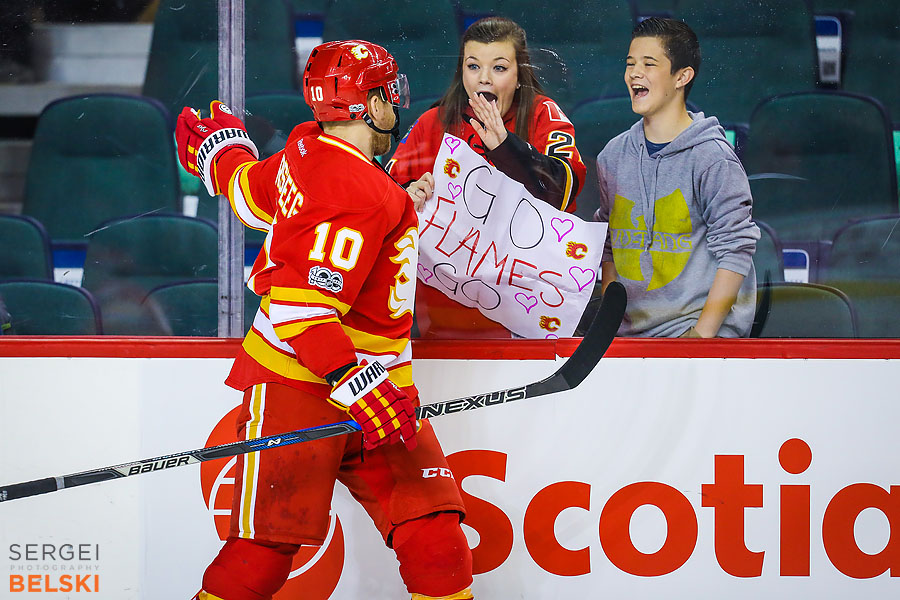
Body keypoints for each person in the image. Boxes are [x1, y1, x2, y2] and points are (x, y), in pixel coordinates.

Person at [175, 40, 473, 600]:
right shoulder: (358, 191)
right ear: (370, 102)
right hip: (307, 387)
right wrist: (359, 386)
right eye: (391, 92)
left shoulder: (303, 149)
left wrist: (221, 159)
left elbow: (253, 195)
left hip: (375, 390)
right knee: (263, 550)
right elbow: (300, 305)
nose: (398, 104)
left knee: (434, 536)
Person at [386, 16, 587, 339]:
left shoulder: (543, 113)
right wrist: (408, 193)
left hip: (529, 319)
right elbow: (381, 195)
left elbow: (562, 192)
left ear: (520, 74)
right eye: (473, 66)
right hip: (444, 319)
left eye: (499, 68)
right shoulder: (434, 121)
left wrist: (506, 147)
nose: (484, 80)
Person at [593, 17, 759, 338]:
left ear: (682, 76)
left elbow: (736, 250)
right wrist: (609, 326)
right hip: (628, 343)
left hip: (694, 339)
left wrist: (699, 338)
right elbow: (609, 246)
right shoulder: (613, 156)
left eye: (649, 64)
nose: (634, 73)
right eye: (630, 63)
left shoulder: (712, 157)